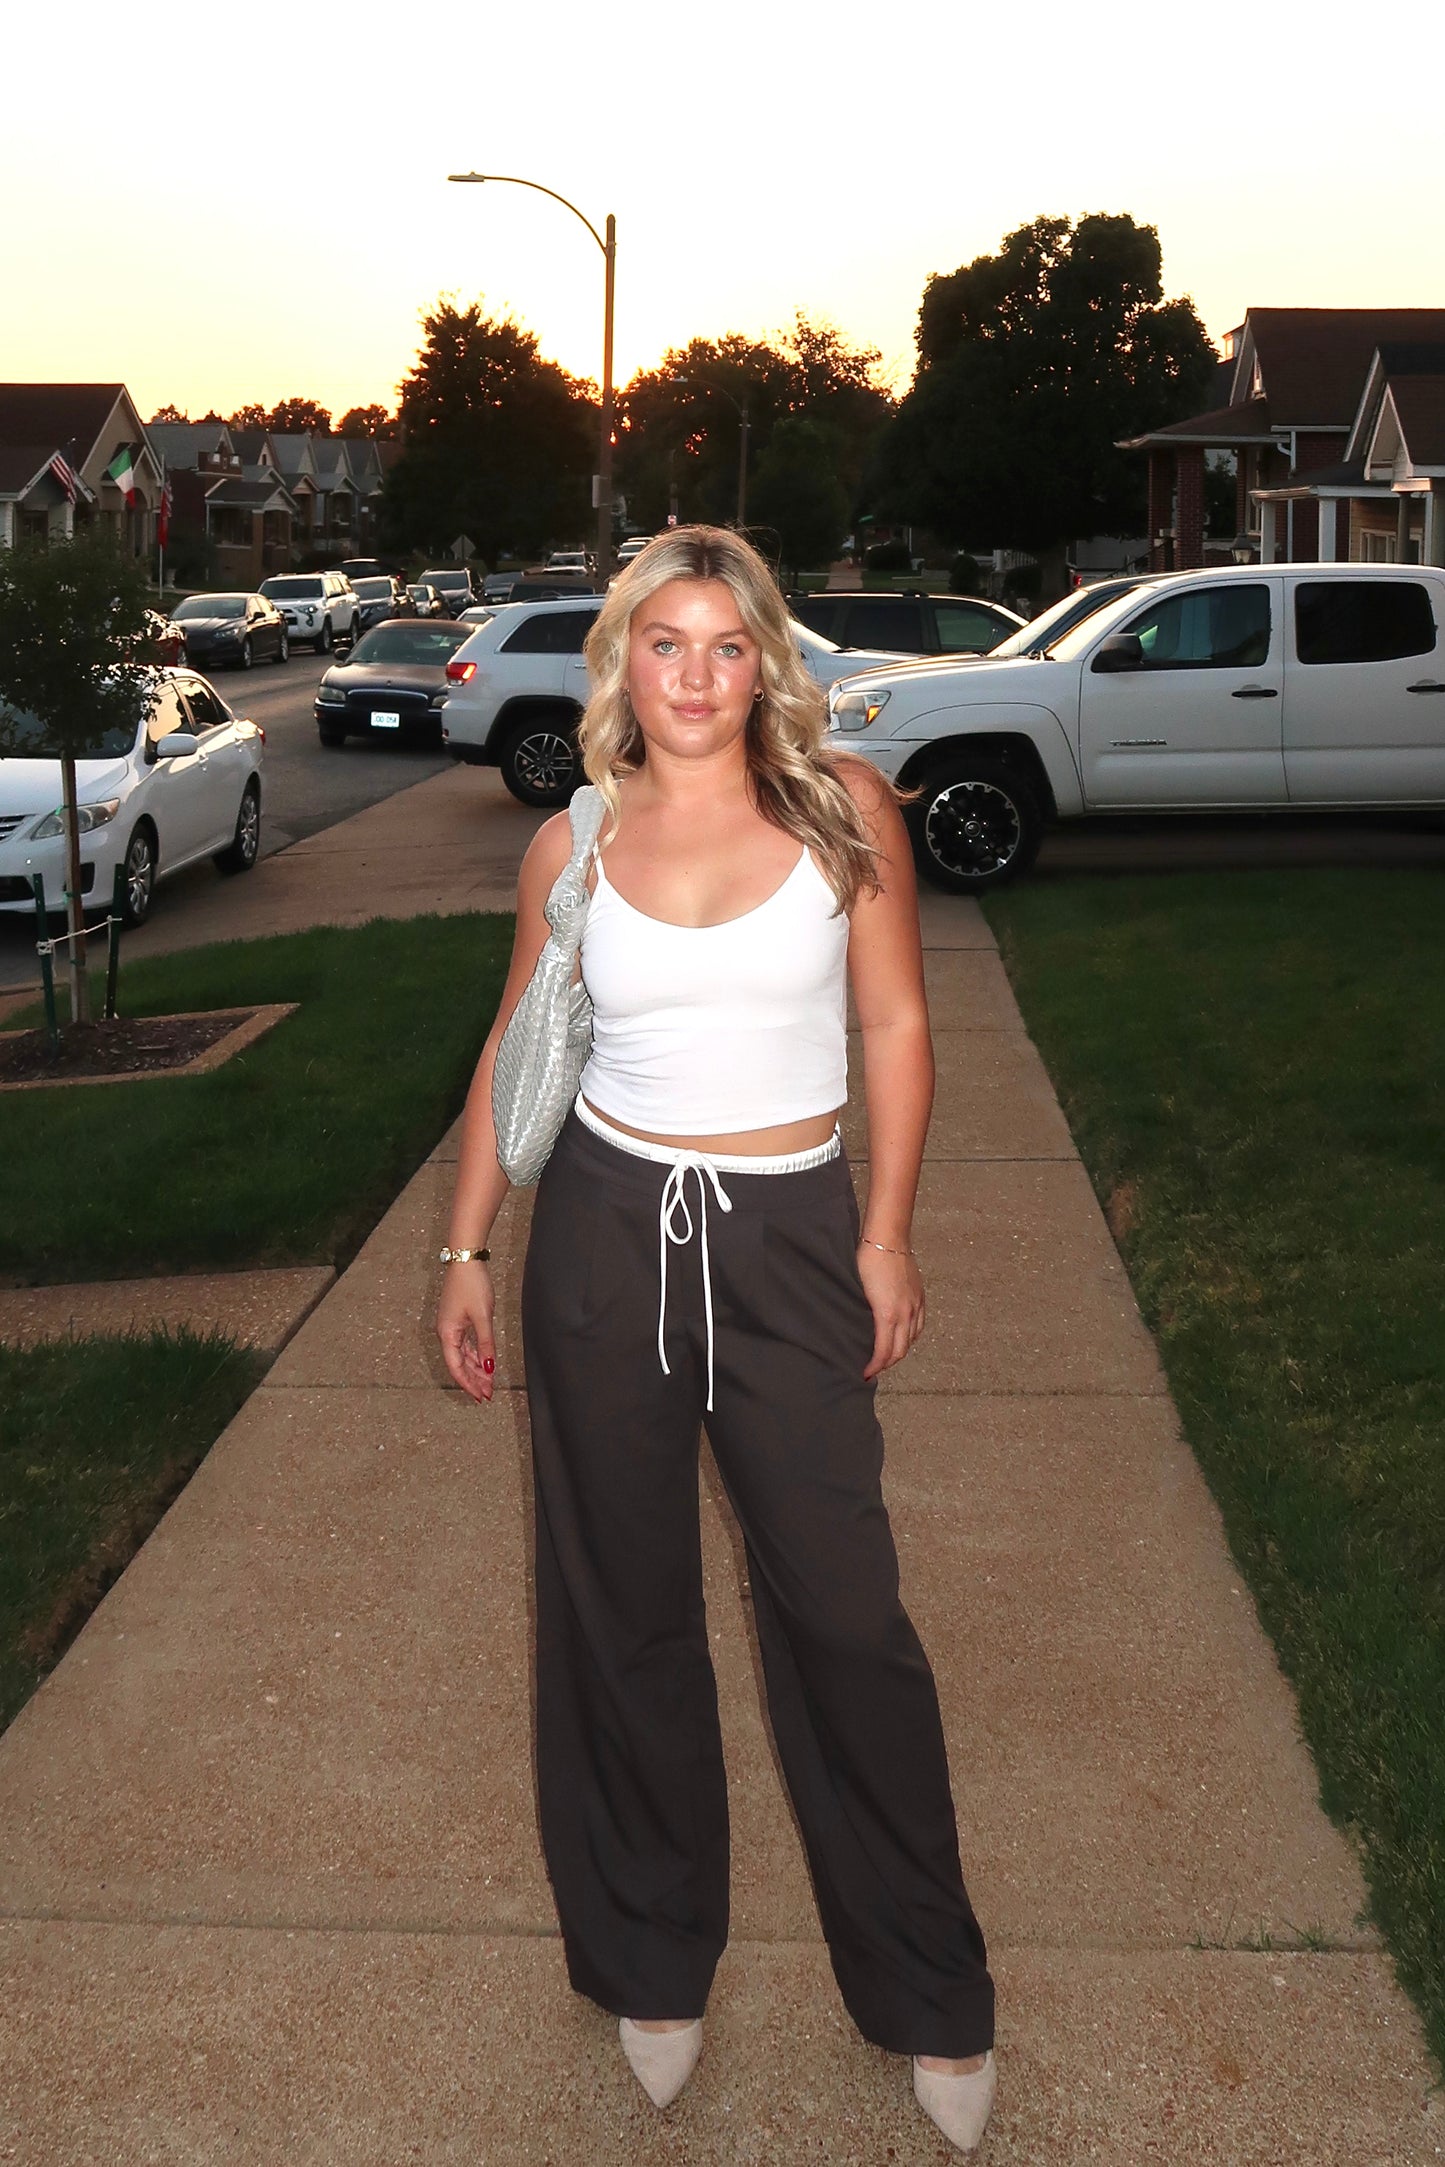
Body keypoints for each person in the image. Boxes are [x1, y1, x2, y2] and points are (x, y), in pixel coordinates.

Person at [436, 527, 996, 2152]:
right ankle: (649, 1958)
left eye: (726, 646)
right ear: (625, 659)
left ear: (766, 661)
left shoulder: (844, 817)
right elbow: (514, 1042)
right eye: (664, 644)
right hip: (604, 1238)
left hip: (793, 1239)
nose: (694, 675)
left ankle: (925, 1987)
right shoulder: (577, 842)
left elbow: (892, 1026)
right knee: (620, 1614)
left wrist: (882, 1234)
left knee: (844, 1617)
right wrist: (470, 1248)